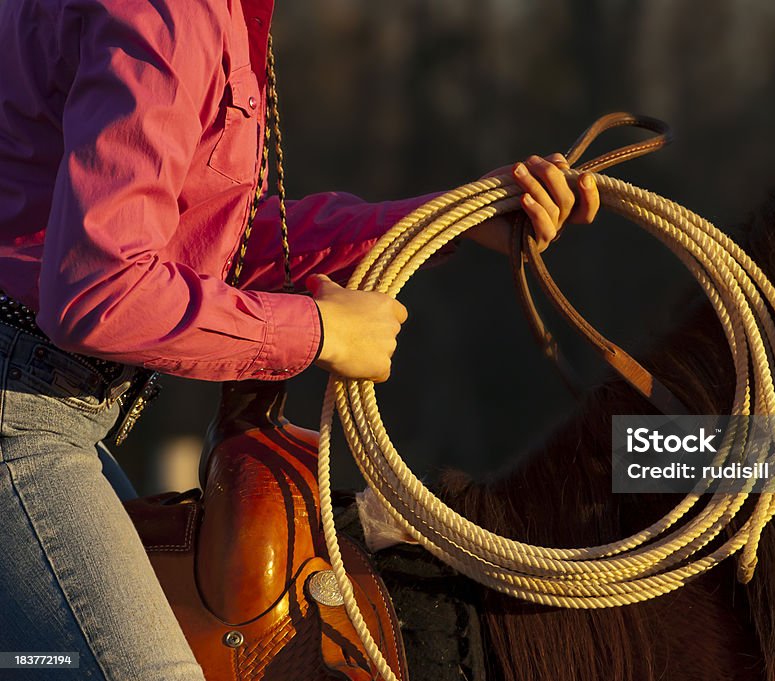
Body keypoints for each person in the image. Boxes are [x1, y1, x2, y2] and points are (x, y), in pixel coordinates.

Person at [0, 0, 600, 678]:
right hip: (21, 416)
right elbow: (99, 291)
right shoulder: (172, 14)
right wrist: (320, 333)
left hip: (54, 409)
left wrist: (444, 222)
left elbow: (200, 240)